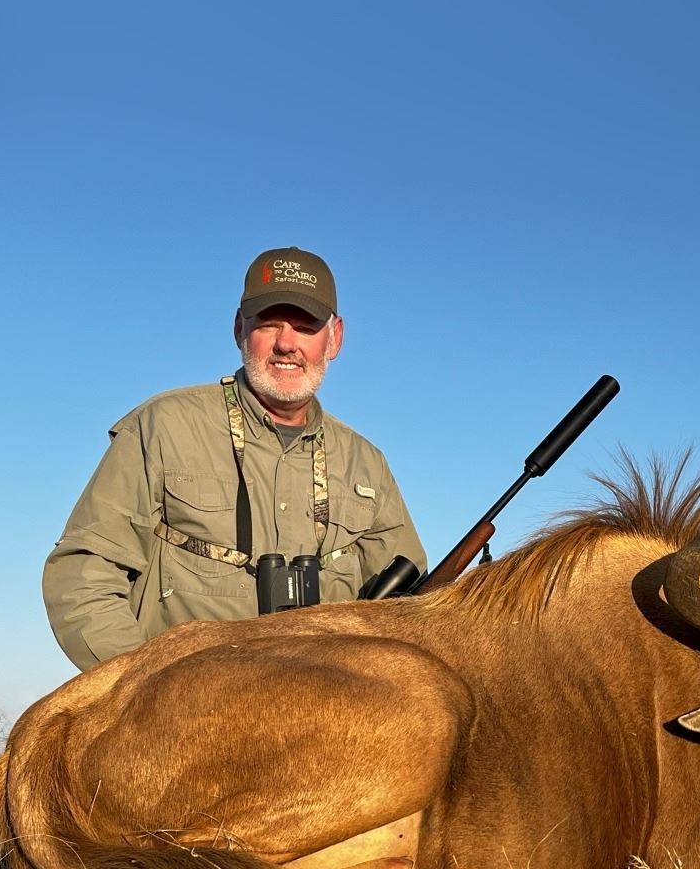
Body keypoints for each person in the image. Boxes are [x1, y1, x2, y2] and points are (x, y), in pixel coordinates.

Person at [44, 247, 426, 671]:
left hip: (328, 706)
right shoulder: (163, 427)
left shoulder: (367, 464)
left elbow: (412, 612)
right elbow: (83, 576)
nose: (286, 344)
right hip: (187, 705)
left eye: (305, 327)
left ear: (334, 338)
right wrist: (150, 685)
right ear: (239, 327)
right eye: (269, 323)